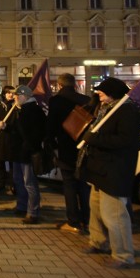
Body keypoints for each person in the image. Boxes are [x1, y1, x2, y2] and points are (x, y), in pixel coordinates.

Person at [79, 77, 140, 269]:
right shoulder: (107, 109)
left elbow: (125, 140)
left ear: (113, 92)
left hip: (115, 170)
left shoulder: (127, 110)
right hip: (100, 169)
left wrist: (95, 138)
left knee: (114, 215)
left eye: (102, 91)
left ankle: (123, 255)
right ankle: (98, 242)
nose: (97, 93)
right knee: (96, 209)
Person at [46, 73, 91, 233]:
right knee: (84, 186)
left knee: (69, 185)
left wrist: (51, 144)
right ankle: (87, 220)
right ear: (75, 85)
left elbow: (51, 125)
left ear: (59, 85)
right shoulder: (86, 100)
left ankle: (73, 221)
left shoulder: (56, 101)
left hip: (65, 148)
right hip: (84, 148)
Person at [0, 85, 45, 224]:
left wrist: (29, 147)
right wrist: (6, 127)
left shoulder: (34, 111)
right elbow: (17, 131)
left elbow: (33, 134)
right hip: (18, 153)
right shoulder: (22, 110)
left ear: (25, 96)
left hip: (27, 153)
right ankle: (22, 206)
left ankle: (33, 212)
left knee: (29, 183)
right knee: (19, 181)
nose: (15, 98)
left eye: (18, 95)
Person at [0, 85, 15, 193]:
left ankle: (14, 185)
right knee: (0, 161)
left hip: (12, 137)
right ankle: (0, 184)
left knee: (13, 163)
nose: (10, 95)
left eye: (12, 93)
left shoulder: (16, 106)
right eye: (8, 92)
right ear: (4, 93)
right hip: (0, 138)